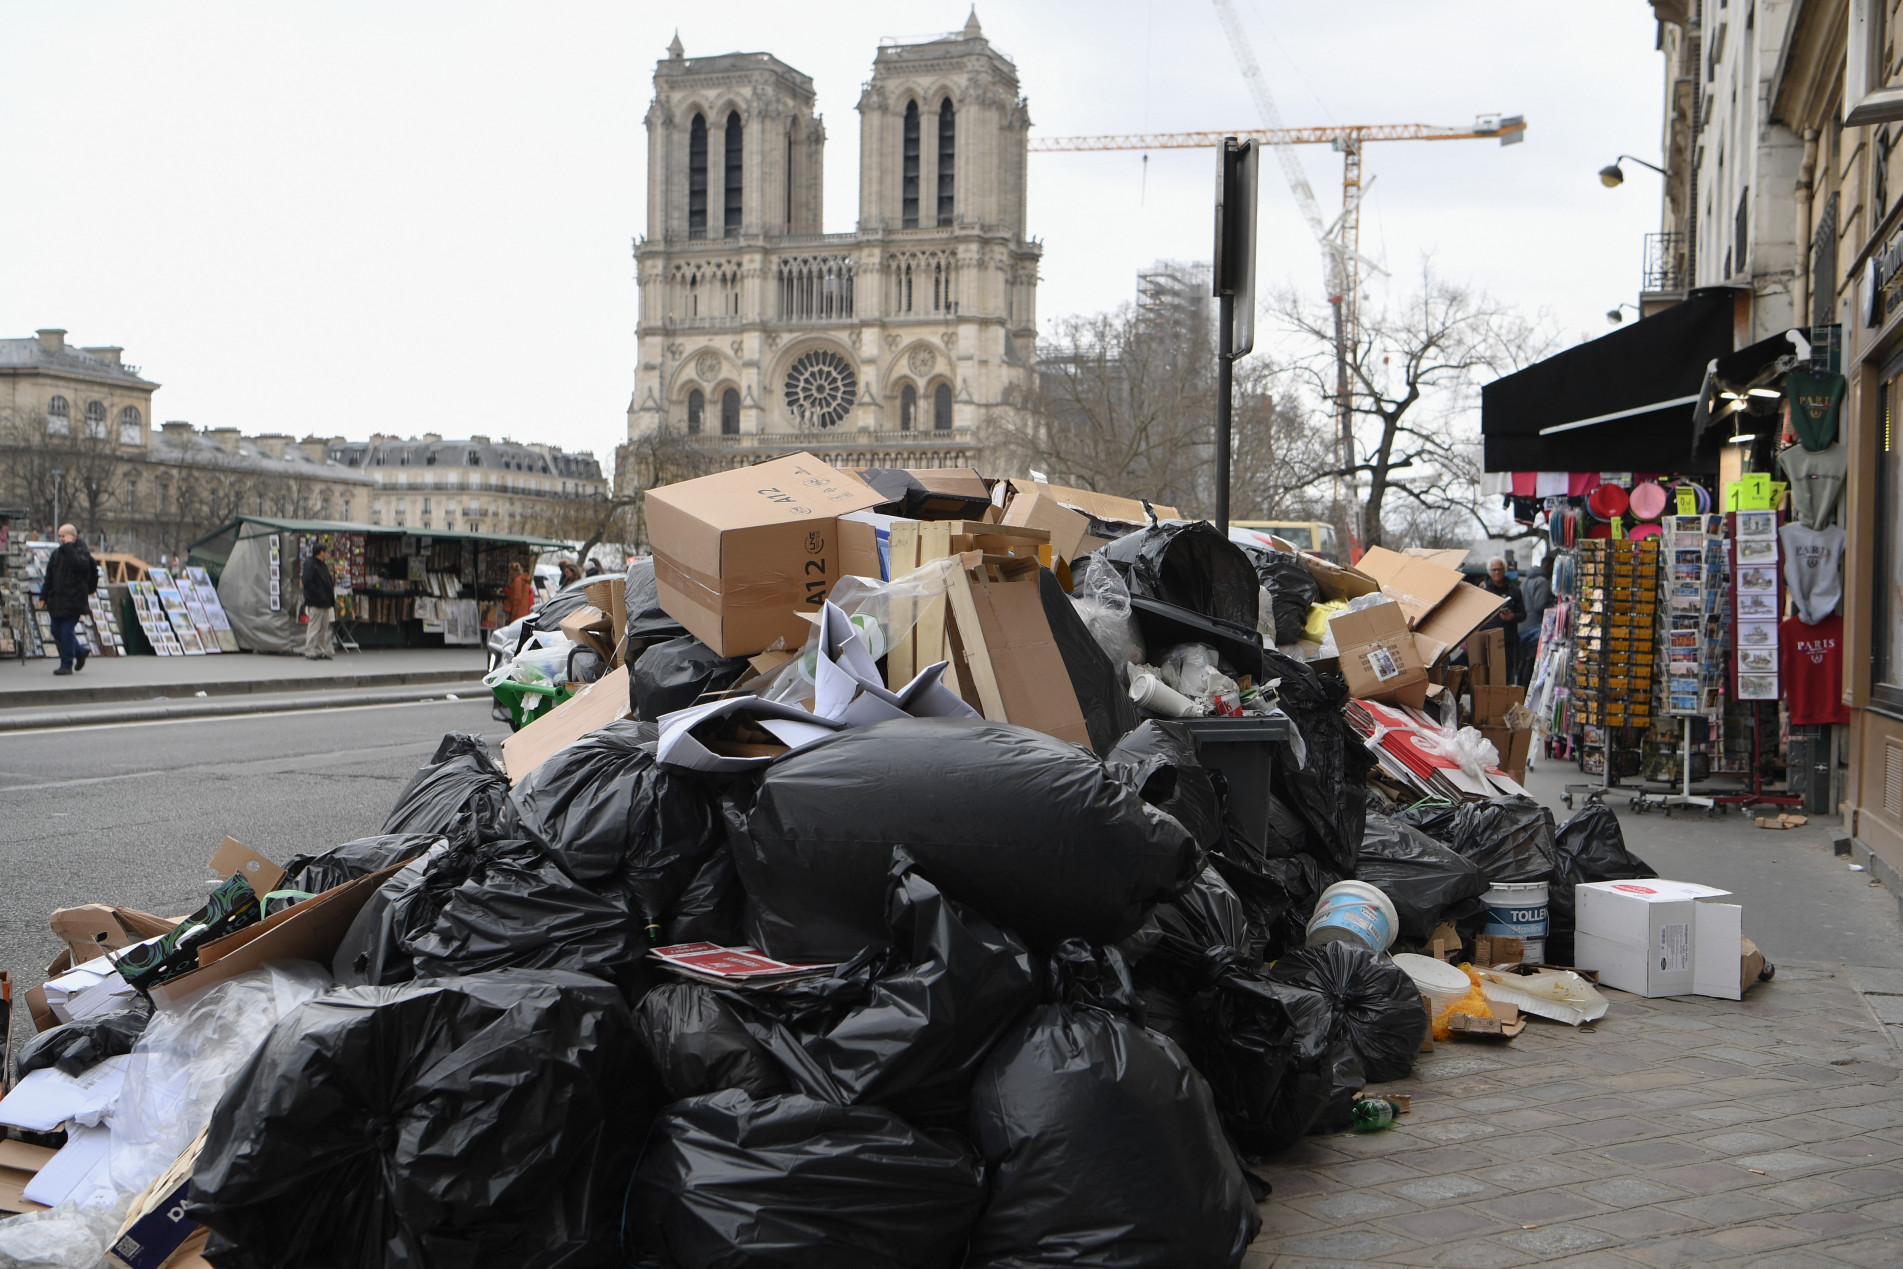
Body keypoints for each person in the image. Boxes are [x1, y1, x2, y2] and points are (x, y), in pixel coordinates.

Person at [39, 523, 98, 676]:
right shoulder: (57, 554)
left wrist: (70, 547)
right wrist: (43, 597)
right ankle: (79, 651)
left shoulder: (82, 553)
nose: (62, 539)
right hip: (58, 601)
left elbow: (78, 565)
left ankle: (66, 664)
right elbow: (49, 578)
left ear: (74, 536)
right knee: (55, 630)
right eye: (60, 536)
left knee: (66, 631)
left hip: (74, 601)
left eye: (64, 536)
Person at [1479, 555, 1527, 685]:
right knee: (1487, 675)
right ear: (1489, 571)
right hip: (1487, 638)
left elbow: (1523, 614)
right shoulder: (1482, 590)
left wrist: (1513, 616)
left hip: (1507, 639)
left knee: (1505, 675)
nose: (1497, 572)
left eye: (1499, 569)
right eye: (1494, 570)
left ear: (1504, 570)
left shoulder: (1514, 590)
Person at [1517, 556, 1555, 685]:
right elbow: (1540, 605)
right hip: (1535, 627)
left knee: (1524, 660)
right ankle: (1527, 689)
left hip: (1522, 626)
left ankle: (1520, 689)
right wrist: (1553, 604)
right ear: (1548, 565)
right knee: (1532, 661)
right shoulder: (1542, 581)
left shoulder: (1526, 580)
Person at [302, 544, 336, 660]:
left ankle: (320, 650)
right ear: (321, 552)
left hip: (325, 602)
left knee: (323, 628)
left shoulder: (323, 565)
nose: (327, 554)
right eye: (326, 552)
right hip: (316, 601)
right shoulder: (310, 564)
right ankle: (309, 650)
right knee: (314, 627)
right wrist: (318, 594)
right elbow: (307, 581)